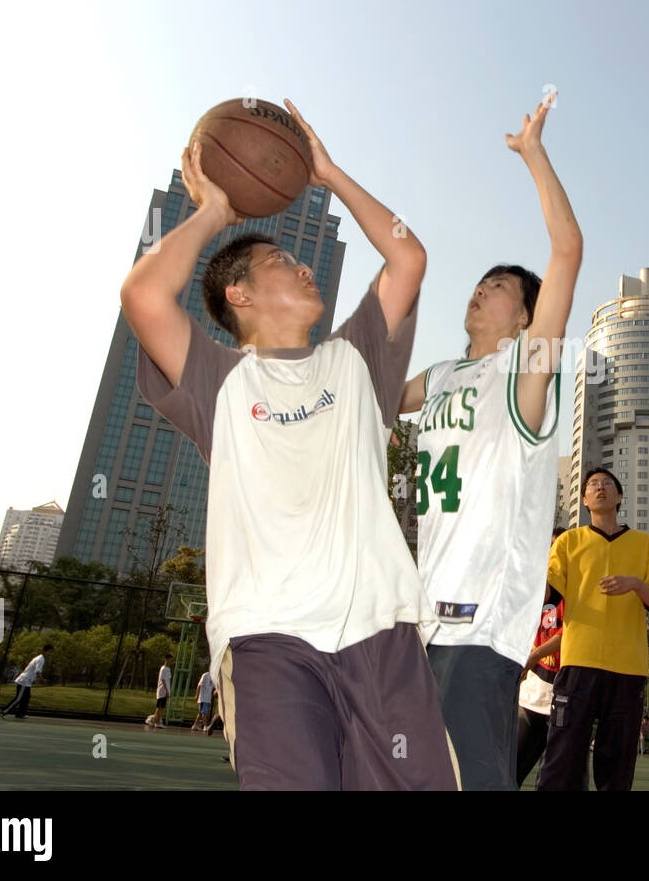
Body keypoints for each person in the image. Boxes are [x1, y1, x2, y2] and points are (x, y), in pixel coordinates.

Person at [122, 102, 454, 790]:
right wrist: (216, 209)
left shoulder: (357, 359)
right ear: (238, 294)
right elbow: (146, 295)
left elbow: (407, 255)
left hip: (381, 633)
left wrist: (328, 173)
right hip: (268, 639)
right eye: (281, 260)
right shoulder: (217, 380)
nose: (304, 268)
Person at [400, 94, 583, 791]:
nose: (481, 289)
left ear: (527, 316)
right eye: (479, 281)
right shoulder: (443, 374)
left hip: (482, 619)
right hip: (422, 614)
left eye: (499, 285)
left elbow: (567, 251)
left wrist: (533, 154)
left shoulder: (524, 370)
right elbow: (378, 396)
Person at [536, 468, 649, 791]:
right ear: (584, 500)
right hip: (578, 663)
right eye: (593, 485)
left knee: (617, 766)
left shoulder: (643, 544)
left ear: (619, 497)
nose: (600, 488)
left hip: (627, 668)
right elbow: (548, 597)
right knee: (562, 759)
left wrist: (636, 584)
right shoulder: (569, 541)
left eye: (607, 484)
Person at [515, 529, 569, 787]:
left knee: (555, 779)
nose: (553, 553)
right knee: (511, 769)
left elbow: (567, 634)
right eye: (550, 547)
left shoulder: (574, 588)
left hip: (564, 693)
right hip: (532, 693)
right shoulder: (535, 588)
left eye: (559, 547)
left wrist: (534, 655)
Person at [0, 644, 52, 719]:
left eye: (51, 652)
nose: (50, 654)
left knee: (26, 697)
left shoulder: (39, 658)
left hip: (27, 682)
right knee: (19, 698)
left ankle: (20, 714)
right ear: (44, 651)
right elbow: (37, 671)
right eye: (49, 652)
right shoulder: (41, 659)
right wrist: (42, 680)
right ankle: (3, 711)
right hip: (24, 681)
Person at [146, 653, 173, 729]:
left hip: (165, 691)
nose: (171, 661)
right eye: (170, 660)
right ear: (166, 659)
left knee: (160, 707)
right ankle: (157, 722)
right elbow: (163, 680)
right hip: (162, 691)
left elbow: (168, 681)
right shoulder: (163, 669)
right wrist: (166, 691)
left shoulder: (168, 669)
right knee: (159, 707)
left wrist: (169, 690)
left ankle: (153, 721)